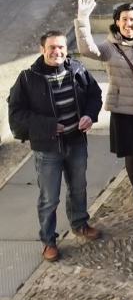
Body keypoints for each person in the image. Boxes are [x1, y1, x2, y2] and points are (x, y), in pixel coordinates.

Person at [8, 30, 104, 261]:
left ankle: (80, 223)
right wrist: (49, 125)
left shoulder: (77, 70)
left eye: (60, 47)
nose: (57, 51)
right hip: (47, 148)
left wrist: (90, 115)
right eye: (51, 47)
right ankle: (48, 240)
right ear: (42, 50)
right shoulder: (28, 77)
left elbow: (95, 95)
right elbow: (17, 113)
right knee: (49, 197)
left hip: (76, 141)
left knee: (78, 187)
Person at [75, 0, 133, 217]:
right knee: (131, 155)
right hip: (123, 110)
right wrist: (82, 20)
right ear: (117, 22)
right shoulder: (109, 47)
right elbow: (87, 50)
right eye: (124, 19)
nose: (129, 23)